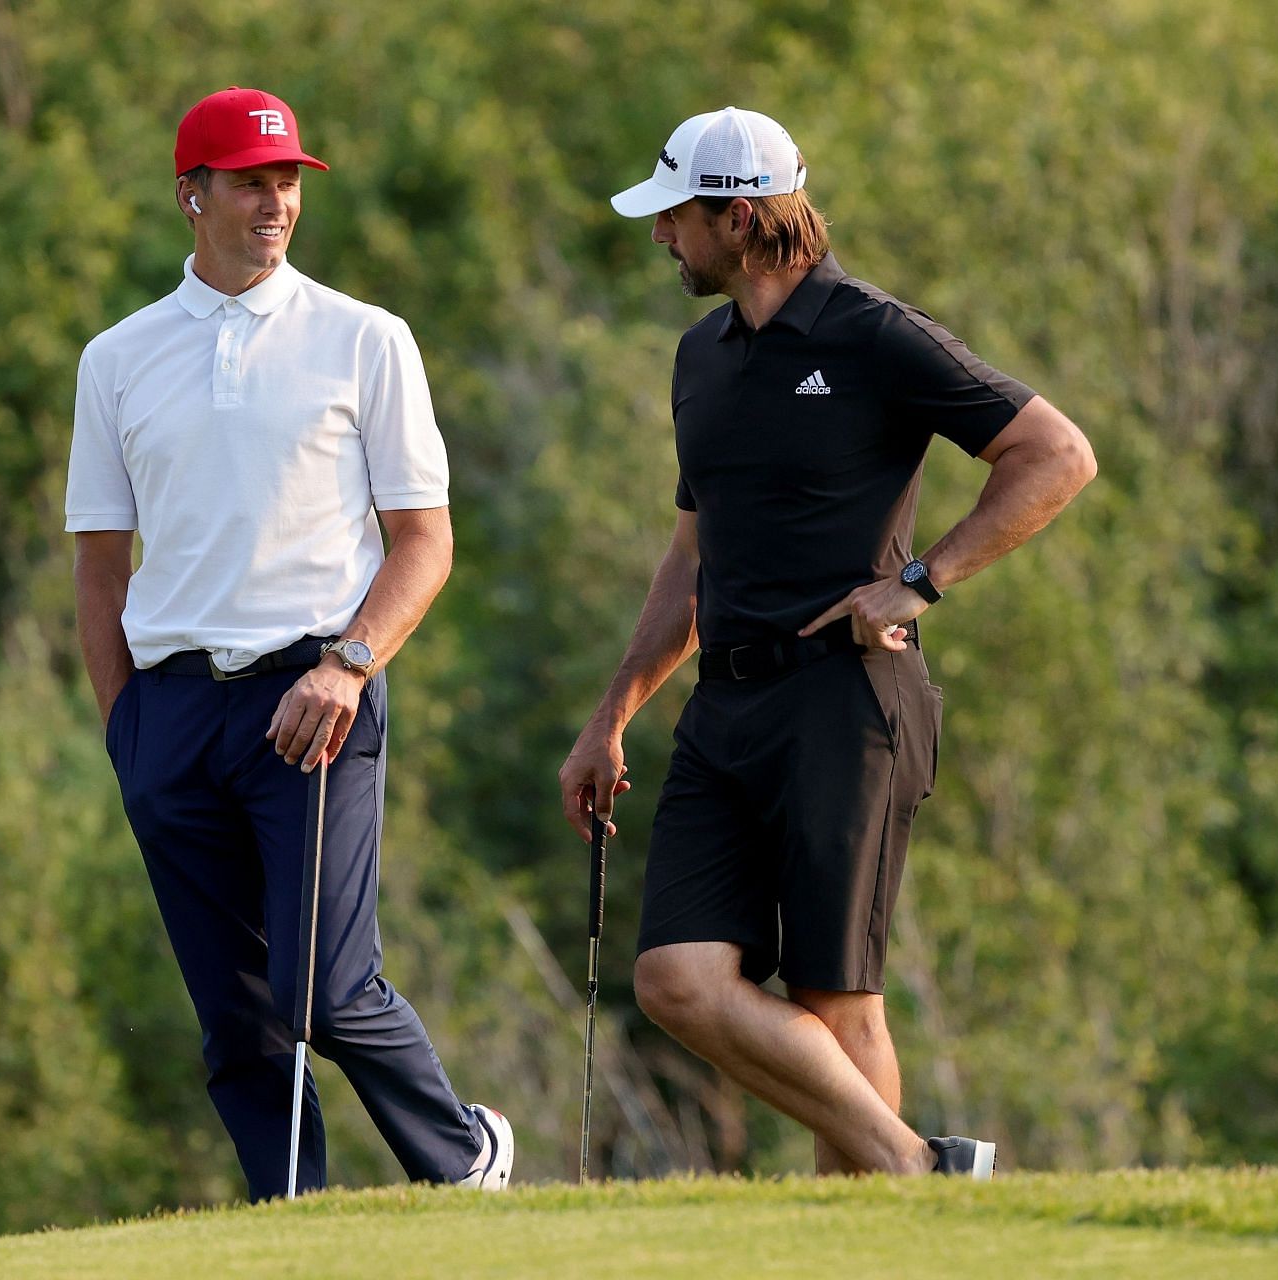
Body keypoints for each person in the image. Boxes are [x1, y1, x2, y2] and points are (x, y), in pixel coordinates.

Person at [559, 107, 1096, 1179]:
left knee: (835, 993)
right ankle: (920, 1169)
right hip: (724, 709)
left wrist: (919, 579)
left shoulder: (872, 332)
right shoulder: (700, 356)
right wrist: (613, 712)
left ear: (740, 214)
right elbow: (689, 562)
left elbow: (1056, 453)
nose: (662, 238)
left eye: (677, 217)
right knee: (674, 976)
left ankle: (871, 1230)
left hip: (846, 705)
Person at [67, 86, 511, 1200]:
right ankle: (287, 1218)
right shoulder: (116, 360)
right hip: (170, 715)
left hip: (314, 694)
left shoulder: (365, 339)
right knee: (235, 1013)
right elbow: (97, 567)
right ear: (191, 195)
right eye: (251, 181)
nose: (275, 202)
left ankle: (464, 1159)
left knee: (322, 984)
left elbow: (426, 542)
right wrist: (126, 727)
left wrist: (349, 663)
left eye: (287, 182)